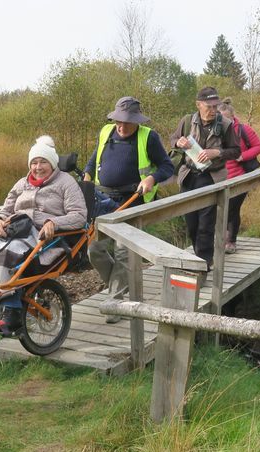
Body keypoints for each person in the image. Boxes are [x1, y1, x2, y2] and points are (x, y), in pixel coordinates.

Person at [0, 135, 87, 336]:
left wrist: (54, 222)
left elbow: (80, 215)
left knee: (9, 252)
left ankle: (12, 314)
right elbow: (6, 208)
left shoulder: (66, 182)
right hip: (17, 230)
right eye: (34, 162)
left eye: (43, 162)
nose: (38, 167)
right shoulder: (21, 183)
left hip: (46, 238)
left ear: (53, 163)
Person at [84, 96, 174, 322]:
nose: (121, 127)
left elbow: (167, 166)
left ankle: (115, 302)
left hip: (131, 201)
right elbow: (94, 160)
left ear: (136, 120)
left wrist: (152, 178)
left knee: (124, 253)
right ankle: (121, 286)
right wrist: (86, 176)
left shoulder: (148, 136)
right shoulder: (106, 132)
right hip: (102, 201)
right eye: (118, 122)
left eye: (126, 122)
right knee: (94, 250)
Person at [170, 87, 240, 272]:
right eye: (209, 106)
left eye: (215, 106)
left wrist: (216, 152)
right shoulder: (186, 121)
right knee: (191, 223)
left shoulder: (225, 124)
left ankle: (204, 264)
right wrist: (179, 142)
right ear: (198, 105)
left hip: (211, 178)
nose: (213, 110)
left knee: (206, 224)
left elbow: (236, 151)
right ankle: (200, 258)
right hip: (188, 177)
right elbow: (173, 139)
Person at [217, 98, 260, 254]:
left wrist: (242, 156)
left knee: (231, 209)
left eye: (226, 118)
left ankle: (230, 241)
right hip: (218, 179)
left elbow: (259, 147)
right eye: (220, 119)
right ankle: (222, 240)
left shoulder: (243, 130)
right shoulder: (213, 131)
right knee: (220, 210)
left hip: (240, 177)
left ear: (232, 117)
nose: (223, 122)